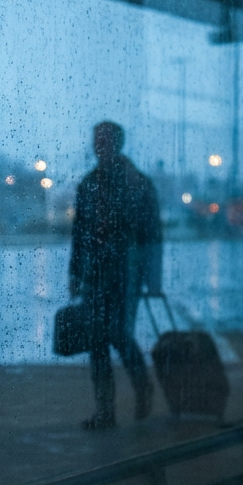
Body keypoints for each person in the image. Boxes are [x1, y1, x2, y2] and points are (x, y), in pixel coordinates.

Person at [69, 121, 161, 430]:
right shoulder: (90, 183)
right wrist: (75, 272)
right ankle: (105, 410)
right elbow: (80, 232)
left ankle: (140, 389)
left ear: (117, 143)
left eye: (104, 140)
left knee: (118, 334)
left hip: (124, 271)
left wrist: (152, 277)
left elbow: (151, 233)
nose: (99, 145)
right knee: (98, 340)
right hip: (97, 272)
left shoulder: (136, 183)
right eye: (96, 139)